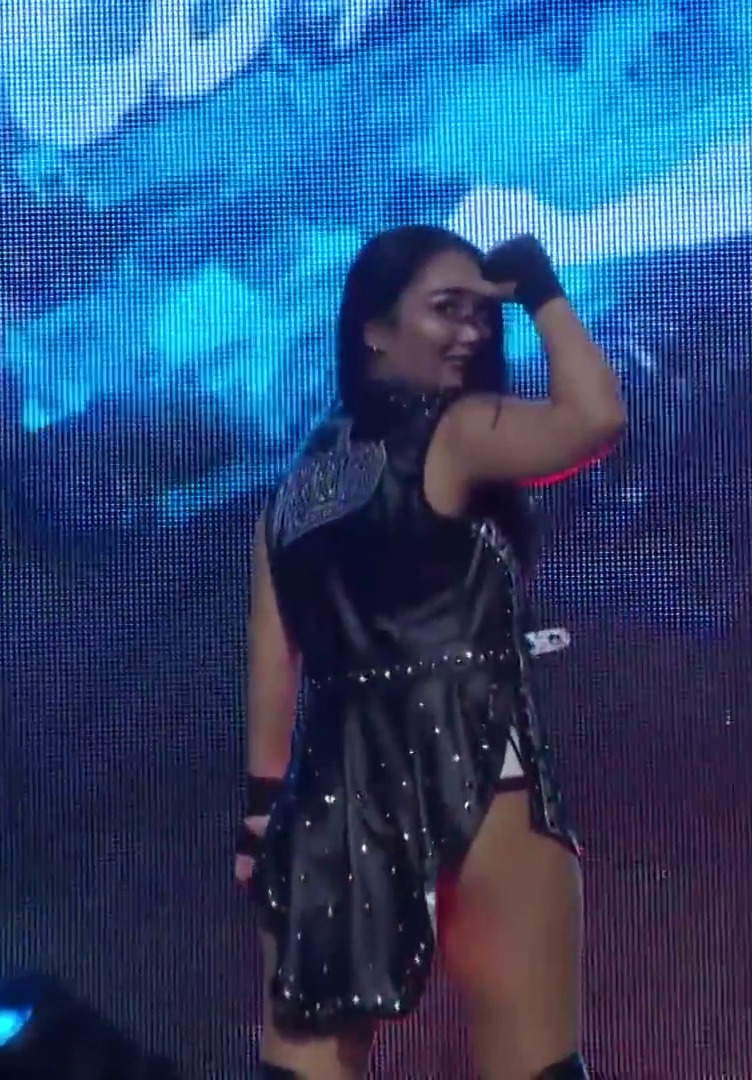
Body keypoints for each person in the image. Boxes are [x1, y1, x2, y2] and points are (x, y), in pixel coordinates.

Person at [235, 224, 625, 1080]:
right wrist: (541, 293)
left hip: (333, 800)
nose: (473, 332)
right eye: (448, 309)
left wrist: (259, 821)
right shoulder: (455, 431)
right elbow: (596, 418)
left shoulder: (294, 490)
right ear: (374, 330)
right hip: (482, 773)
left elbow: (273, 663)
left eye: (484, 315)